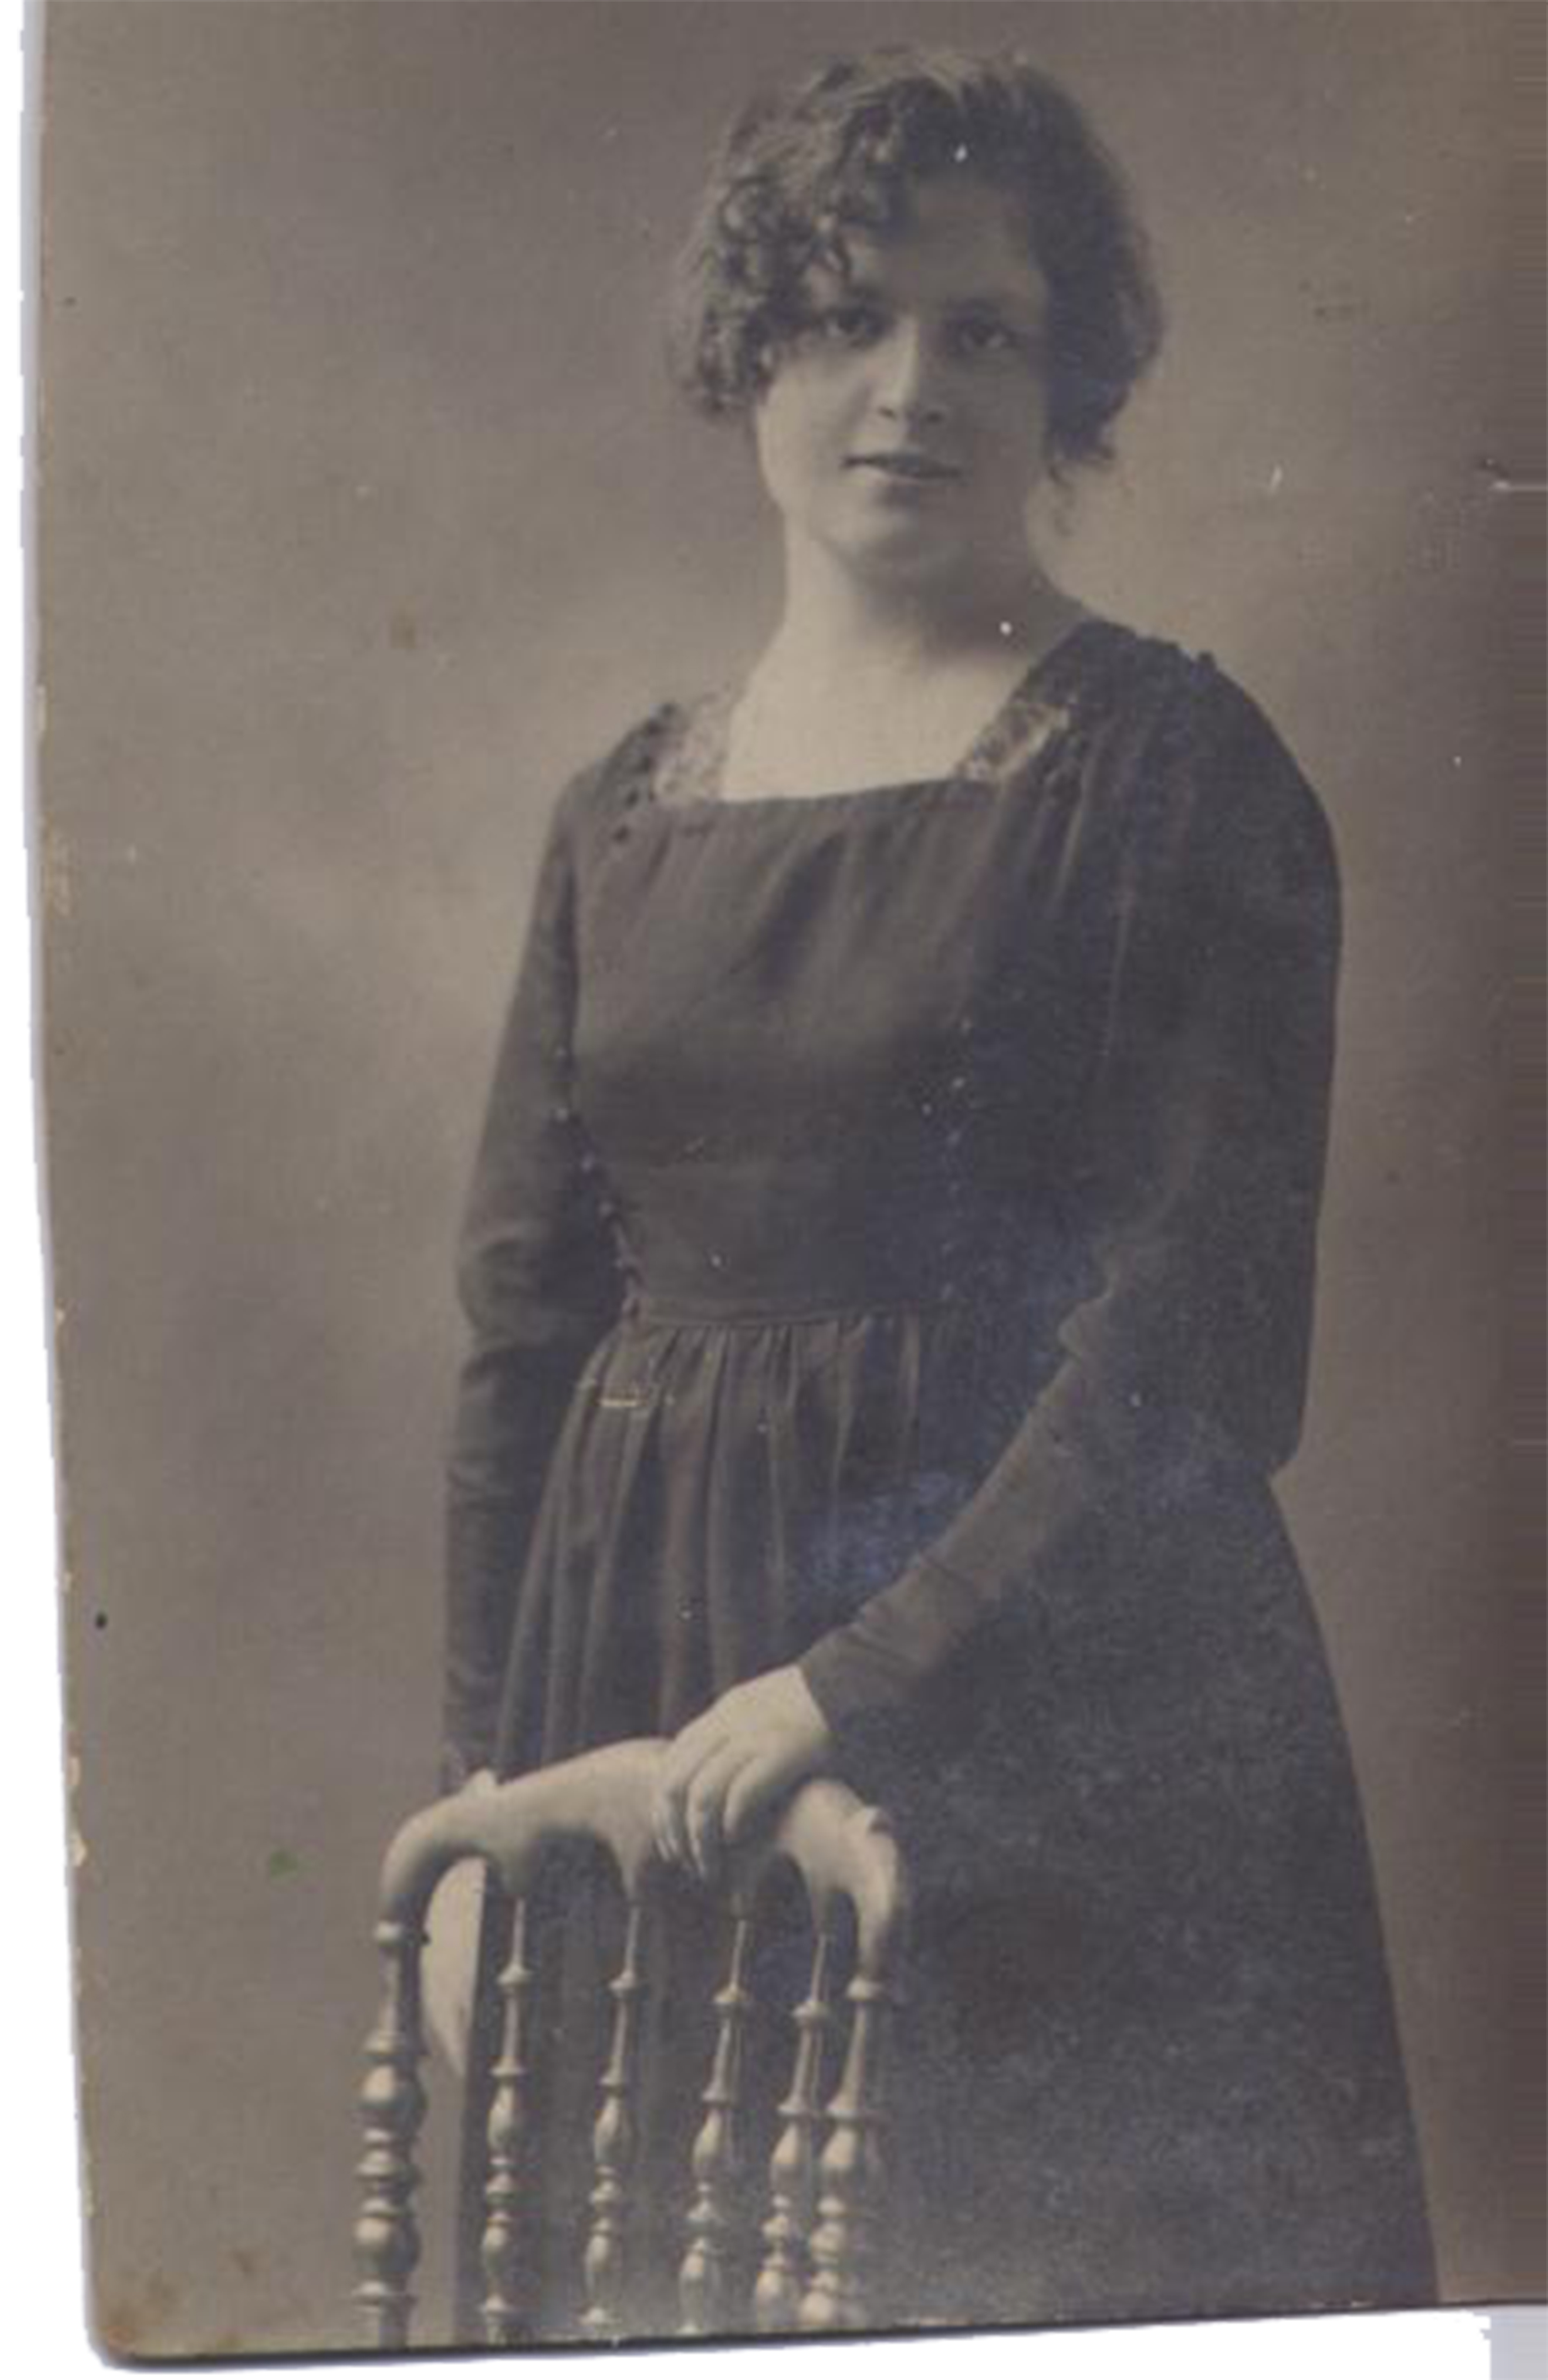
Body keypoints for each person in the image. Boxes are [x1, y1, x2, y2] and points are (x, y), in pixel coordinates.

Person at [433, 43, 1437, 2338]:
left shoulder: (1177, 773)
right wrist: (496, 1791)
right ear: (748, 352)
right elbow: (520, 1323)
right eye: (844, 318)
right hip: (643, 1692)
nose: (910, 388)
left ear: (1063, 376)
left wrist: (857, 1681)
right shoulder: (620, 812)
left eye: (982, 329)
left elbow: (1200, 1340)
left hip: (1047, 1689)